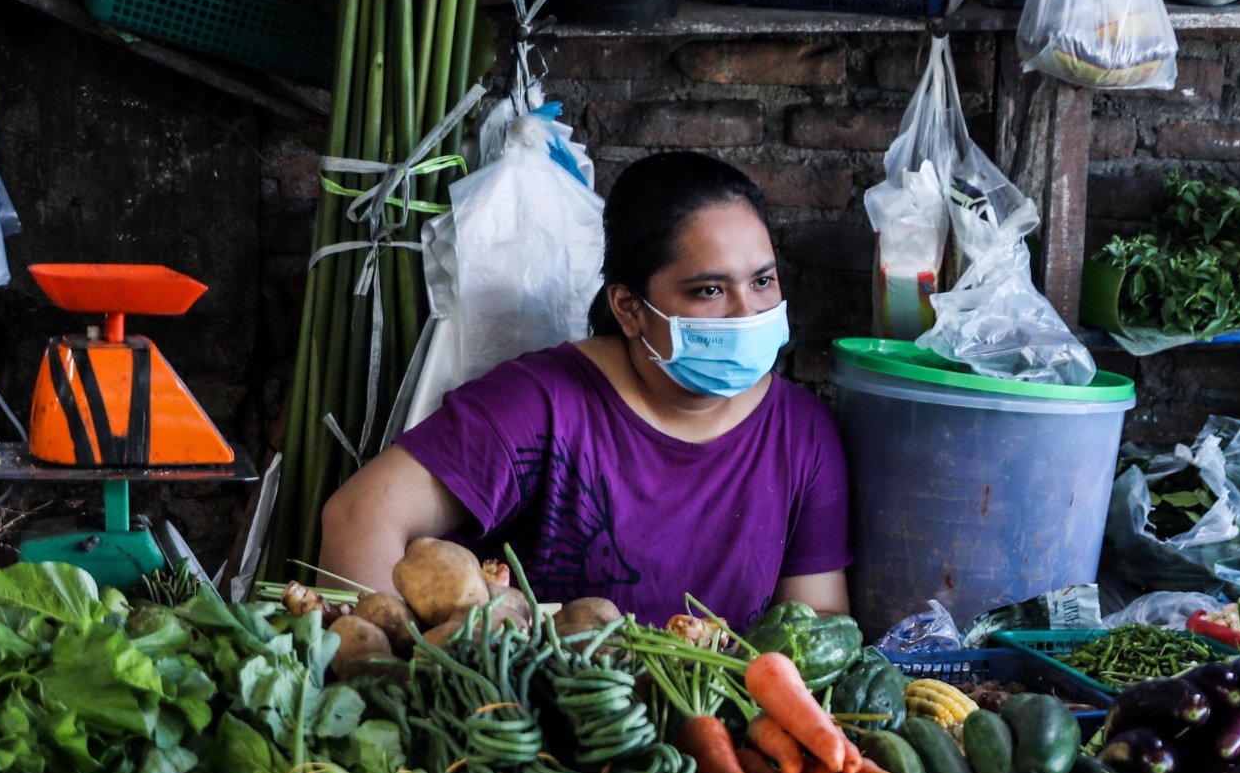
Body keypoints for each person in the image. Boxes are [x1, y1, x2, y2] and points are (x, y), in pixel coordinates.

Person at [320, 150, 850, 624]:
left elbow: (816, 621)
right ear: (629, 308)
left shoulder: (802, 434)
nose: (746, 312)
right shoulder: (541, 405)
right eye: (709, 290)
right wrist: (390, 669)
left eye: (761, 280)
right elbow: (359, 516)